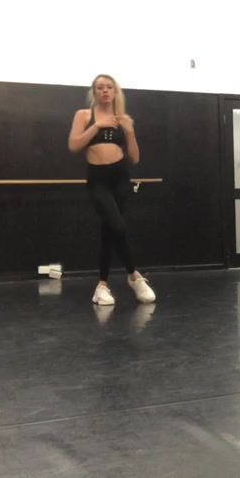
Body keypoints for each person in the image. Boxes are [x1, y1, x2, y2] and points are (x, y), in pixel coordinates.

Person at [68, 74, 156, 306]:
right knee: (117, 225)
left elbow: (135, 158)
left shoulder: (122, 119)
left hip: (120, 178)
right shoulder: (84, 115)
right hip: (98, 179)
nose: (105, 91)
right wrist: (97, 126)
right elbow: (74, 145)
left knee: (109, 230)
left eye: (109, 87)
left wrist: (129, 131)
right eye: (100, 87)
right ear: (94, 92)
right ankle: (134, 276)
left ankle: (102, 286)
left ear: (115, 92)